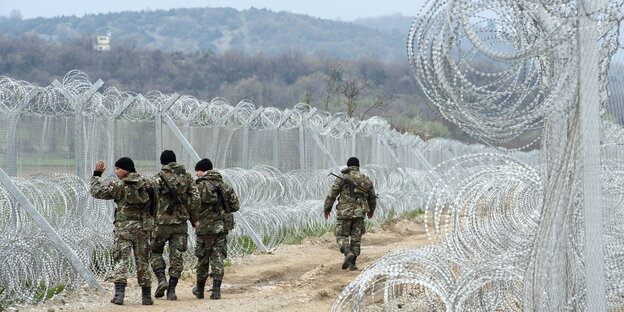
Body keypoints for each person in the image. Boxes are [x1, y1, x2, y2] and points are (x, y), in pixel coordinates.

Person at [89, 157, 155, 305]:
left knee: (121, 261)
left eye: (118, 168)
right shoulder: (148, 184)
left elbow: (96, 191)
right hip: (143, 229)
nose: (116, 171)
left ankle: (119, 296)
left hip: (124, 230)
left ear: (126, 169)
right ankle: (146, 297)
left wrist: (97, 174)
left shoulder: (119, 186)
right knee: (143, 261)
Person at [150, 150, 199, 300]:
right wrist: (193, 218)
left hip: (161, 223)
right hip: (180, 224)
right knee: (177, 256)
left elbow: (149, 198)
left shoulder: (158, 178)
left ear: (162, 162)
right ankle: (171, 290)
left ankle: (161, 279)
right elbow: (195, 199)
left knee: (155, 251)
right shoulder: (187, 177)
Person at [190, 158, 239, 300]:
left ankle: (199, 290)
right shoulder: (225, 186)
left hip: (203, 228)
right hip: (221, 228)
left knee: (203, 259)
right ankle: (216, 291)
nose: (196, 174)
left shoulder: (198, 187)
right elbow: (235, 206)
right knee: (217, 258)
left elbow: (191, 205)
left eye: (197, 171)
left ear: (203, 171)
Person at [323, 157, 377, 271]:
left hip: (344, 212)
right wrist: (371, 211)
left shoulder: (342, 177)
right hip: (359, 213)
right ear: (358, 166)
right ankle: (353, 264)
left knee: (341, 235)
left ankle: (347, 251)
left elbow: (331, 195)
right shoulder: (366, 179)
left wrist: (327, 209)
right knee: (356, 238)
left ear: (347, 166)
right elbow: (372, 197)